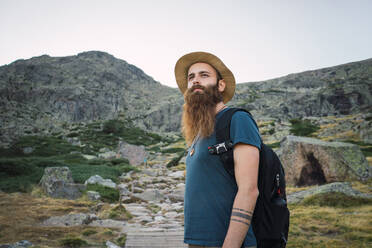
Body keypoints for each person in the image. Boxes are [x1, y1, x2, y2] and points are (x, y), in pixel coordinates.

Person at [174, 52, 261, 248]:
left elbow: (249, 190)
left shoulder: (237, 120)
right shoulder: (199, 133)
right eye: (191, 77)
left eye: (204, 75)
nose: (196, 80)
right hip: (197, 242)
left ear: (220, 85)